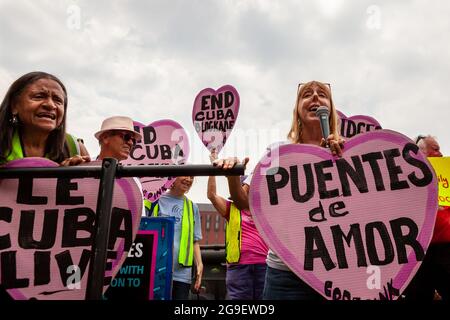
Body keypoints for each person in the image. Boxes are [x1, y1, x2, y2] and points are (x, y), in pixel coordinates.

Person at [214, 81, 344, 300]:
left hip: (338, 273)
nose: (314, 98)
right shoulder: (277, 153)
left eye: (322, 94)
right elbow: (245, 201)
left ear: (329, 109)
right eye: (306, 95)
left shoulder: (347, 152)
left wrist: (342, 158)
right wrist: (233, 176)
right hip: (285, 275)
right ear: (297, 111)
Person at [207, 149, 268, 300]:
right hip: (239, 266)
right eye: (243, 188)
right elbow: (212, 195)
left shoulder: (265, 210)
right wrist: (212, 167)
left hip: (264, 265)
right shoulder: (231, 208)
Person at [0, 71, 90, 166]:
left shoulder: (74, 146)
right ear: (14, 106)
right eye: (39, 97)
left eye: (57, 100)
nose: (50, 105)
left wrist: (72, 173)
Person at [403, 135, 450, 300]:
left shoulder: (447, 180)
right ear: (421, 153)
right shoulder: (404, 179)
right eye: (435, 149)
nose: (441, 154)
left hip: (445, 250)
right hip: (417, 253)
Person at [149, 176, 203, 300]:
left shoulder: (192, 207)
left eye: (192, 177)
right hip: (156, 270)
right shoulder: (155, 201)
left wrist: (200, 265)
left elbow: (195, 241)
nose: (189, 179)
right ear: (173, 177)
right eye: (185, 175)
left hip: (182, 275)